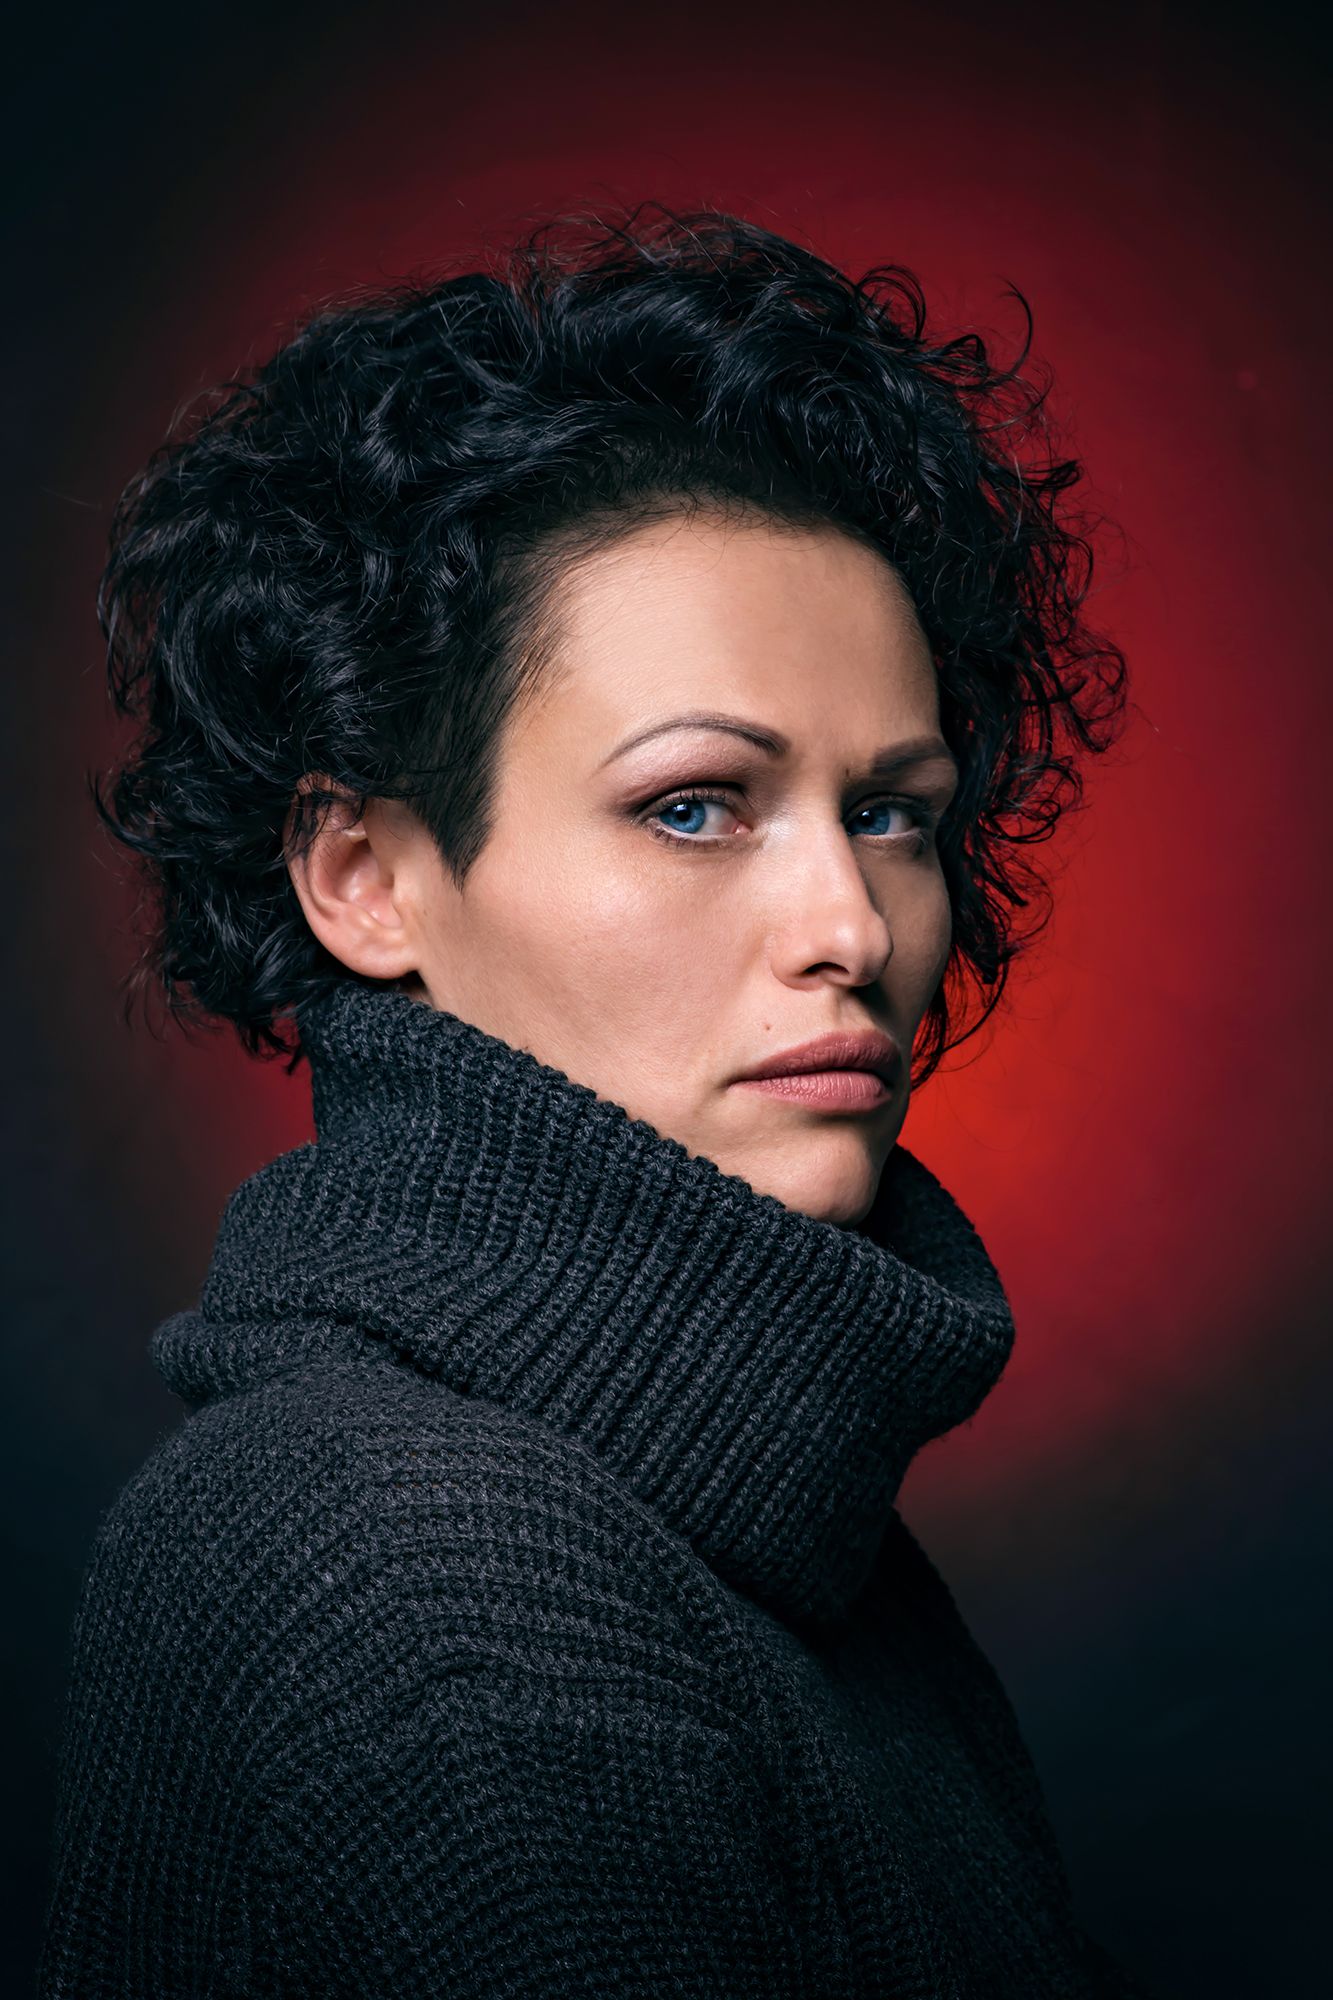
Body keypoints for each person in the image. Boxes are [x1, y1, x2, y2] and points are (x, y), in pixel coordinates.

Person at [40, 201, 1156, 1996]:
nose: (852, 927)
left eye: (890, 811)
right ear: (364, 878)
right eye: (693, 806)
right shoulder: (425, 1571)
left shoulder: (775, 1533)